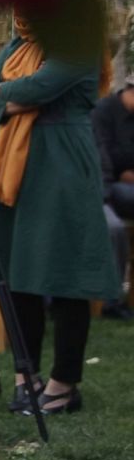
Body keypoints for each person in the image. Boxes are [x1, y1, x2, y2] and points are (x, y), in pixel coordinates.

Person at [0, 15, 120, 415]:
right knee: (19, 273)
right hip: (17, 166)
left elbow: (40, 86)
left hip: (63, 164)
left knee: (67, 274)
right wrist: (11, 97)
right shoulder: (19, 41)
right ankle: (27, 377)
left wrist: (7, 92)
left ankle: (63, 384)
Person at [93, 74, 134, 319]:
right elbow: (109, 160)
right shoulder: (102, 112)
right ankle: (112, 300)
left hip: (117, 186)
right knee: (114, 229)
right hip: (101, 188)